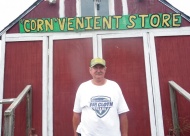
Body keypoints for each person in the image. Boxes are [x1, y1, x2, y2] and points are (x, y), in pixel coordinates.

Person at [73, 58, 129, 136]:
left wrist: (125, 134)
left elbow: (122, 114)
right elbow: (76, 114)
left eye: (101, 67)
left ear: (105, 69)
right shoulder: (83, 87)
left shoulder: (114, 86)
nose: (98, 70)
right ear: (90, 70)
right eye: (95, 67)